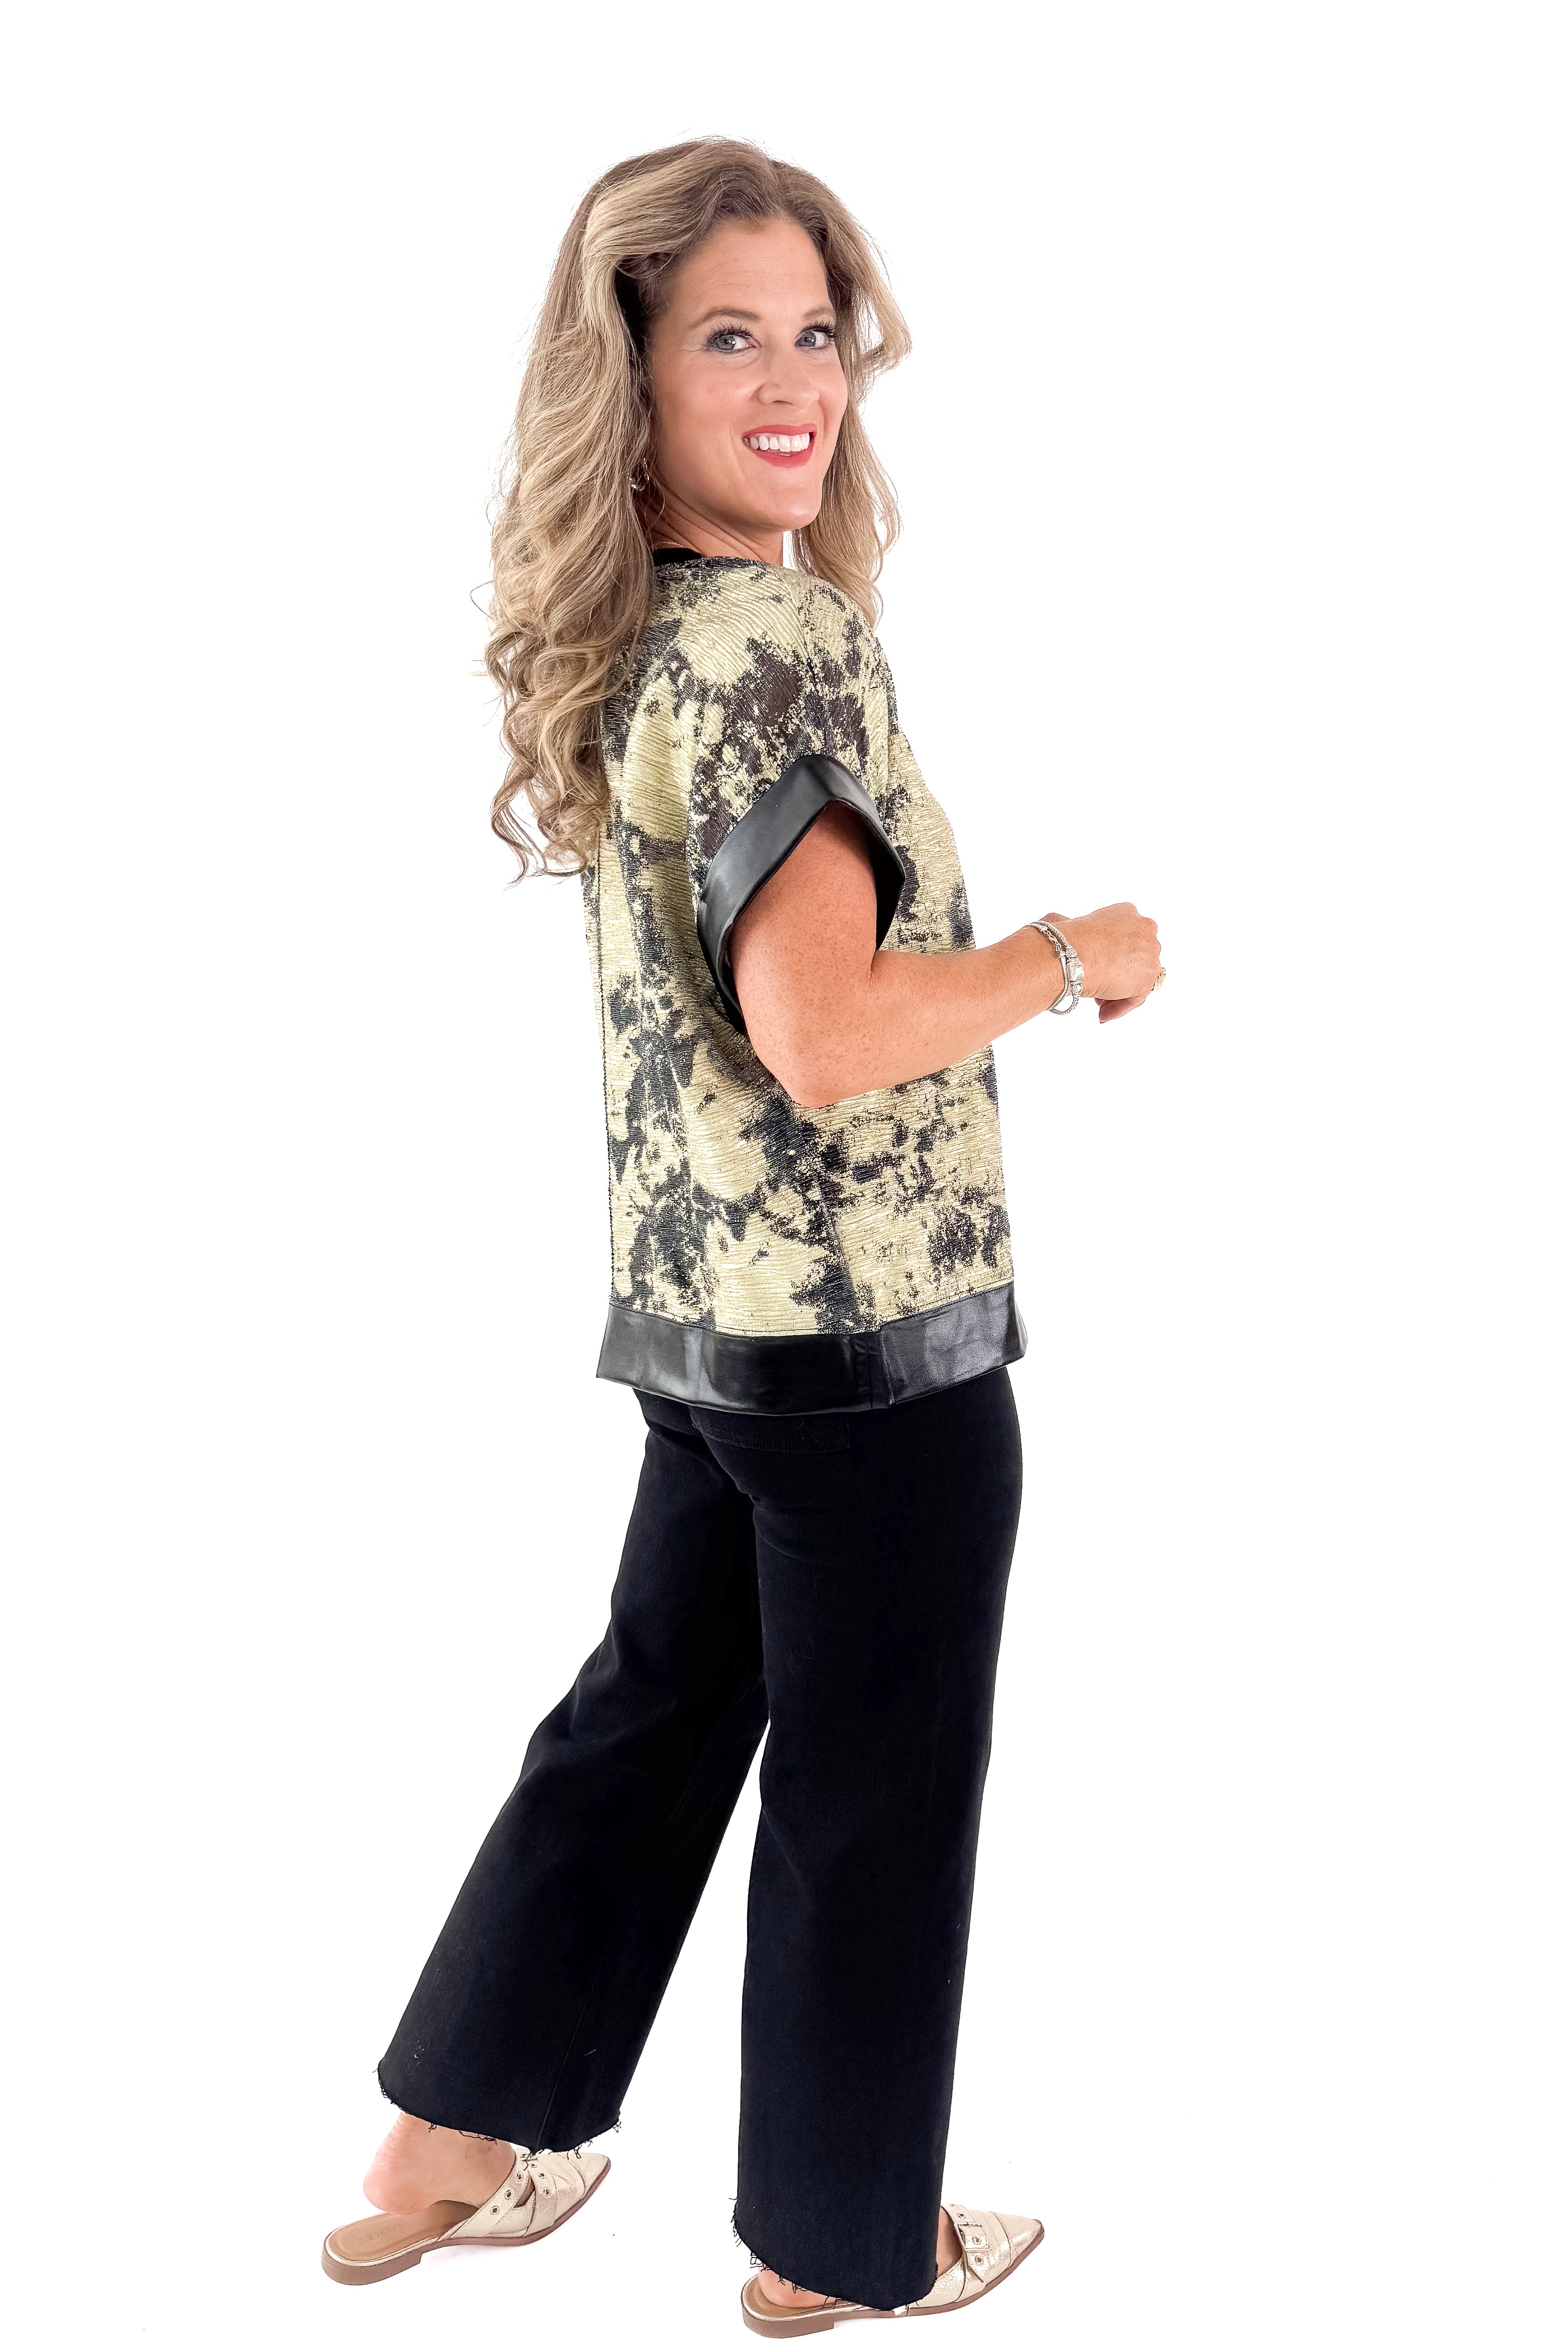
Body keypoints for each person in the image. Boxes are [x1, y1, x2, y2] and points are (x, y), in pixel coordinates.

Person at [322, 138, 1163, 2331]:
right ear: (633, 370)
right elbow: (828, 1029)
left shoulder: (645, 632)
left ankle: (442, 2148)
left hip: (708, 1326)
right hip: (872, 1344)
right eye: (732, 335)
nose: (796, 383)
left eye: (817, 335)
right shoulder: (785, 641)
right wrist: (1075, 953)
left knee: (653, 1713)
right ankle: (833, 2253)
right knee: (873, 1789)